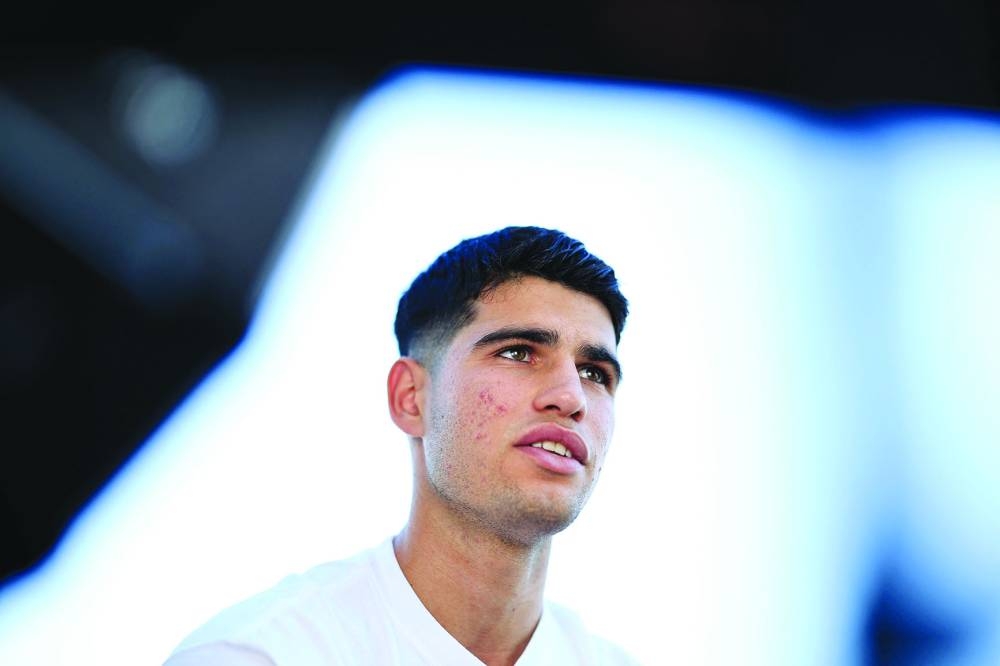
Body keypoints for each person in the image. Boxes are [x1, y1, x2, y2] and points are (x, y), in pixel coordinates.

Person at [164, 226, 637, 665]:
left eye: (595, 373)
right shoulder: (260, 655)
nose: (571, 397)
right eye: (518, 352)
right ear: (411, 397)